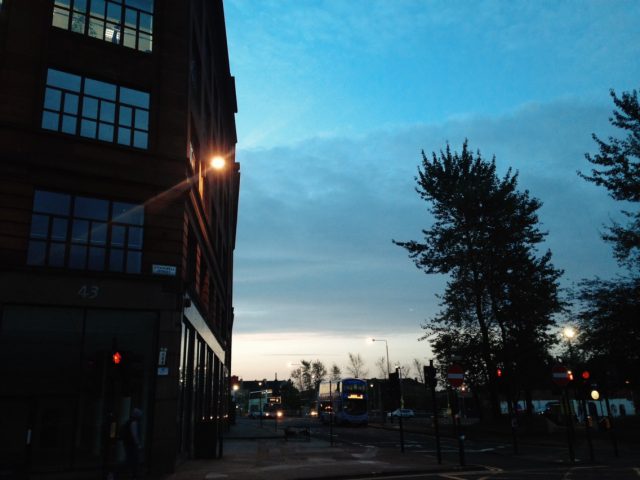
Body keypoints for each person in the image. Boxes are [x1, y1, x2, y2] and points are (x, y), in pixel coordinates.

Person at [121, 408, 143, 479]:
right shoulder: (134, 423)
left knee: (130, 458)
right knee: (133, 459)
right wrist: (138, 444)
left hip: (128, 443)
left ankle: (129, 473)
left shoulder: (129, 422)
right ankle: (132, 474)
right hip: (132, 444)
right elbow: (134, 435)